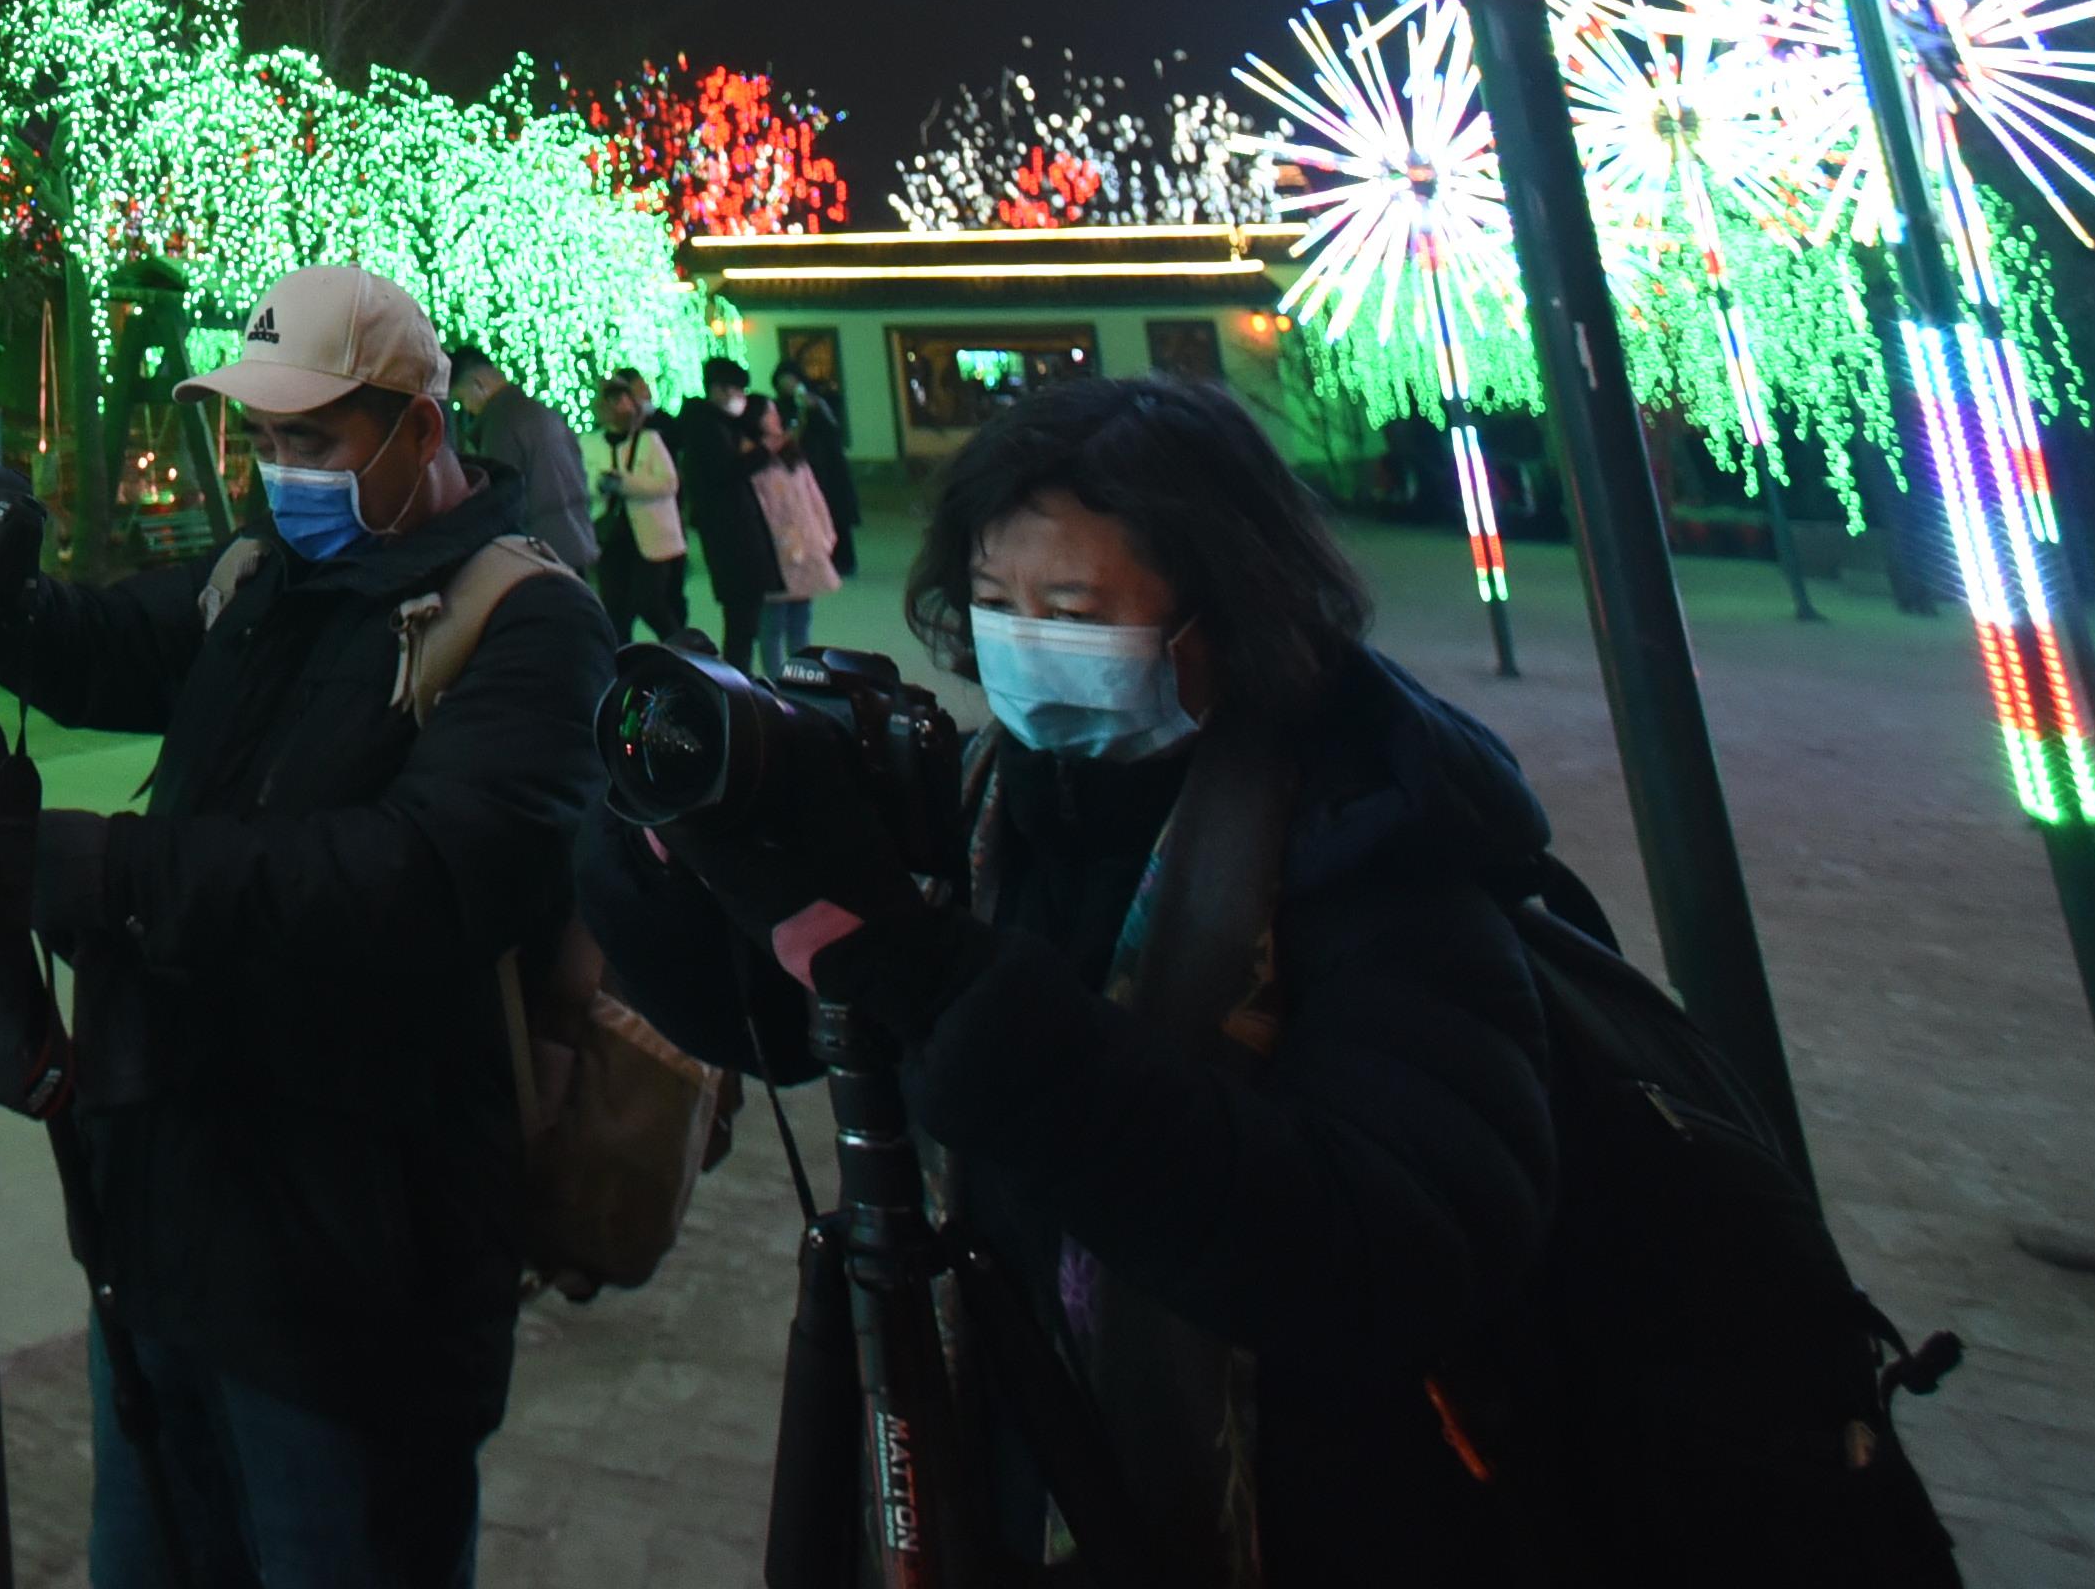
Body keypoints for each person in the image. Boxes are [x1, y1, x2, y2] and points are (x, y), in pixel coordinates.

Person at [591, 373, 1567, 1581]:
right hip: (1000, 1465)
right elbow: (803, 1019)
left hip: (1305, 1514)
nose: (1022, 638)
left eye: (1070, 602)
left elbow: (1393, 1250)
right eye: (995, 599)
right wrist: (667, 862)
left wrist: (946, 981)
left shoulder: (1375, 849)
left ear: (1221, 607)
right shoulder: (996, 797)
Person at [0, 261, 603, 1589]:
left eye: (313, 440)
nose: (281, 471)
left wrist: (116, 876)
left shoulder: (529, 623)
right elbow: (99, 647)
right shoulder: (256, 578)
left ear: (419, 430)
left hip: (359, 1280)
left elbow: (412, 878)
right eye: (263, 440)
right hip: (161, 1230)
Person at [445, 339, 598, 578]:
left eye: (463, 399)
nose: (467, 408)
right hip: (573, 538)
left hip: (539, 550)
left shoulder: (500, 423)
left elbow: (501, 499)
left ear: (479, 384)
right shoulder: (541, 410)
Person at [587, 369, 699, 645]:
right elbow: (583, 484)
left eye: (623, 400)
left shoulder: (650, 439)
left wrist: (625, 484)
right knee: (615, 609)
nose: (619, 408)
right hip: (611, 535)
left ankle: (680, 652)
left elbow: (669, 483)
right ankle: (624, 664)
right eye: (612, 402)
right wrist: (600, 486)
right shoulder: (589, 443)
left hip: (652, 536)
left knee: (650, 602)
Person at [683, 357, 783, 662]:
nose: (739, 397)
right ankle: (737, 686)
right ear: (717, 389)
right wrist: (763, 453)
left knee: (743, 622)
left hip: (735, 531)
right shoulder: (707, 426)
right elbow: (723, 472)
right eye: (735, 390)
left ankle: (739, 680)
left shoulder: (722, 424)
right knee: (741, 623)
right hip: (732, 535)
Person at [742, 391, 842, 670]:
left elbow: (814, 497)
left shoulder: (791, 453)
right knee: (772, 624)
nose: (775, 418)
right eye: (768, 413)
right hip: (775, 552)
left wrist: (824, 536)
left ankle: (801, 679)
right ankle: (775, 686)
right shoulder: (751, 458)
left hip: (806, 547)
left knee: (801, 620)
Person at [772, 354, 863, 583]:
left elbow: (833, 430)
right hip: (800, 468)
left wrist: (815, 410)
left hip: (828, 467)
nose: (788, 385)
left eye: (791, 379)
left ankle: (844, 560)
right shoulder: (778, 407)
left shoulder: (818, 402)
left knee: (835, 513)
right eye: (783, 381)